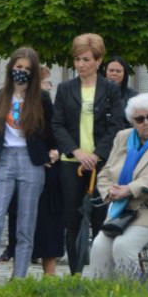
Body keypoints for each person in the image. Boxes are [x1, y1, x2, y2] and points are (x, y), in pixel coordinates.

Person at [85, 93, 148, 279]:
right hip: (123, 208)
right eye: (140, 119)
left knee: (123, 246)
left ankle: (132, 296)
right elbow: (105, 174)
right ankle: (99, 296)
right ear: (132, 121)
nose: (146, 122)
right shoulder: (122, 137)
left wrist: (130, 188)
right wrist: (111, 192)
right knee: (99, 247)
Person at [0, 47, 58, 286]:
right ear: (11, 68)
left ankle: (20, 279)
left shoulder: (41, 99)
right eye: (18, 67)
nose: (21, 72)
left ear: (33, 72)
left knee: (26, 224)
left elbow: (50, 132)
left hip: (31, 160)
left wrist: (52, 152)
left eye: (26, 69)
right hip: (3, 160)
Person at [52, 33, 125, 275]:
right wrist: (75, 151)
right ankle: (75, 273)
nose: (80, 65)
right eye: (77, 60)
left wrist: (96, 154)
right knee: (72, 220)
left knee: (100, 218)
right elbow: (58, 124)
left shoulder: (110, 90)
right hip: (71, 162)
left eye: (86, 59)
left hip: (101, 163)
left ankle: (100, 272)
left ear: (98, 61)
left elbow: (116, 125)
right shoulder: (65, 89)